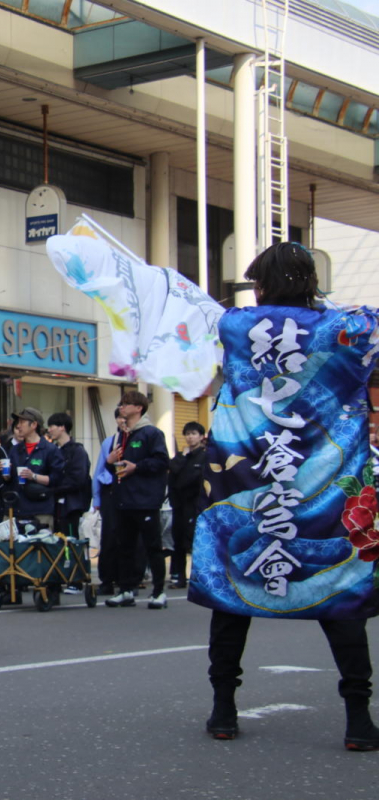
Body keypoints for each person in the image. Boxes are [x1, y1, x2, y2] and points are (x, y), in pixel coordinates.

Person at [190, 242, 379, 750]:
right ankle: (358, 720)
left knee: (233, 595)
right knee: (338, 599)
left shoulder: (234, 325)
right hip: (320, 491)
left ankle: (223, 710)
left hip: (250, 486)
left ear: (265, 284)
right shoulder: (349, 327)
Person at [104, 390, 169, 610]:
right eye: (121, 404)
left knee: (152, 546)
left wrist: (137, 467)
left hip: (146, 499)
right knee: (125, 546)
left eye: (126, 404)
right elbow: (116, 467)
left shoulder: (151, 433)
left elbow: (161, 461)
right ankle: (125, 590)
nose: (121, 407)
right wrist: (109, 461)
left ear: (138, 408)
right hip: (124, 499)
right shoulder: (122, 434)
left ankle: (159, 591)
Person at [1, 407, 64, 531]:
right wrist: (5, 473)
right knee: (11, 548)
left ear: (34, 425)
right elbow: (8, 480)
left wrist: (33, 476)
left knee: (40, 548)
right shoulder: (15, 450)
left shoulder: (50, 450)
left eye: (22, 422)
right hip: (15, 509)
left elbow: (56, 480)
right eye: (17, 422)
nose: (18, 426)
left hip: (41, 511)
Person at [91, 407, 127, 595]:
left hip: (131, 492)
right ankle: (107, 580)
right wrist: (96, 497)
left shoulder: (140, 439)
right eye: (120, 418)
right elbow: (99, 470)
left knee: (128, 538)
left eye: (126, 417)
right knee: (109, 536)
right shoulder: (109, 442)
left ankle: (127, 580)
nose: (123, 421)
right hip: (110, 491)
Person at [167, 421, 206, 589]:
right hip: (179, 506)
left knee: (195, 543)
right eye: (188, 434)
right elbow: (172, 473)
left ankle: (199, 577)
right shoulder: (182, 456)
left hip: (196, 506)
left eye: (194, 434)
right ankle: (180, 577)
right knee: (178, 542)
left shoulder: (205, 456)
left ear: (201, 436)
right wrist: (182, 457)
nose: (190, 437)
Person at [48, 412, 92, 540]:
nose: (49, 430)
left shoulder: (77, 451)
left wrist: (53, 488)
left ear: (62, 427)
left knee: (70, 541)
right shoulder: (53, 450)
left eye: (52, 426)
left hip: (72, 506)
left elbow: (77, 479)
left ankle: (72, 560)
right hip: (55, 505)